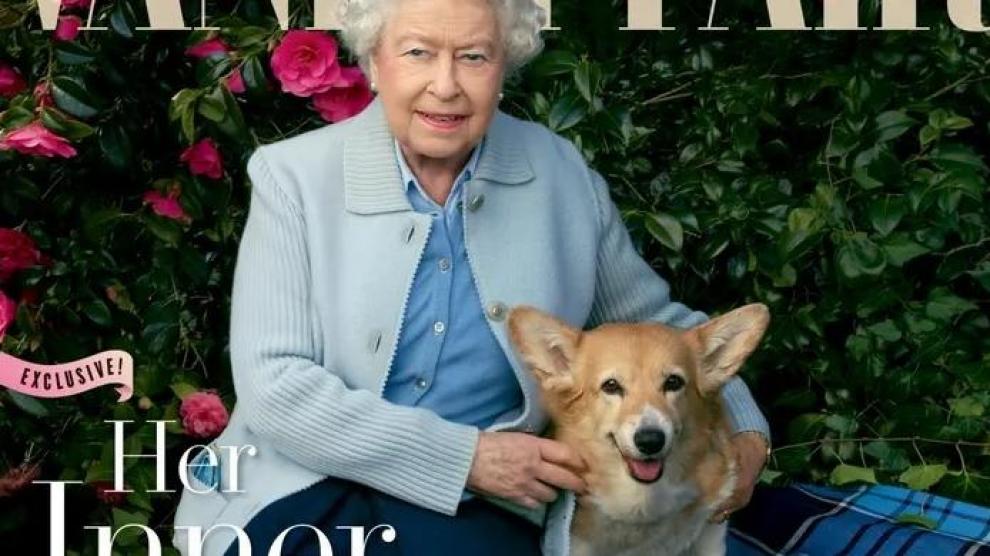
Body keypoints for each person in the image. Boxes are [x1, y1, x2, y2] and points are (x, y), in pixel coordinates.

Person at [171, 0, 771, 554]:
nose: (446, 84)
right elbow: (274, 386)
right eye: (418, 53)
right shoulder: (293, 177)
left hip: (478, 506)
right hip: (302, 483)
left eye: (473, 57)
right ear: (373, 61)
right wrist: (465, 457)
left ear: (504, 65)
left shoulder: (560, 174)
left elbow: (659, 329)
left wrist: (745, 430)